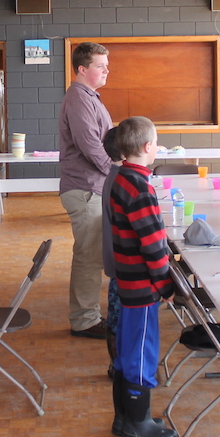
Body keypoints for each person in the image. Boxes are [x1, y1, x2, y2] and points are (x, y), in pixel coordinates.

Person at [108, 116, 177, 437]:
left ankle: (125, 417)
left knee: (127, 350)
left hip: (126, 282)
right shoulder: (140, 188)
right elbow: (151, 244)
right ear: (148, 147)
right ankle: (138, 422)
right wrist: (166, 284)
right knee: (141, 354)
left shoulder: (122, 178)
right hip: (142, 287)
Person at [59, 41, 113, 338]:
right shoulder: (79, 99)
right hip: (85, 188)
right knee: (89, 255)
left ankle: (87, 315)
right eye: (100, 66)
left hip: (92, 186)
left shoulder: (88, 96)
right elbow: (90, 145)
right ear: (82, 69)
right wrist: (115, 171)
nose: (107, 71)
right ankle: (84, 320)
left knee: (91, 253)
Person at [100, 127, 123, 378]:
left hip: (117, 264)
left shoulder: (114, 176)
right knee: (118, 321)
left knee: (115, 316)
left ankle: (117, 365)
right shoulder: (122, 181)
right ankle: (118, 367)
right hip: (123, 268)